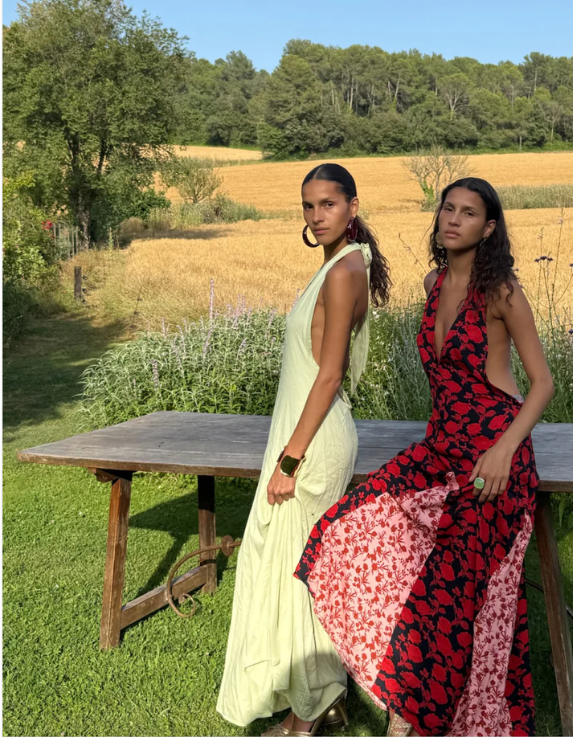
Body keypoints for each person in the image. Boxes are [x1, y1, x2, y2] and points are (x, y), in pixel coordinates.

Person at [295, 177, 554, 737]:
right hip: (440, 448)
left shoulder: (502, 291)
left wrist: (504, 450)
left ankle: (412, 715)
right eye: (447, 209)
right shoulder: (433, 283)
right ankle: (400, 689)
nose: (453, 219)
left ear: (489, 228)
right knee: (341, 531)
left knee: (451, 592)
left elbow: (542, 384)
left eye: (468, 213)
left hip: (493, 454)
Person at [217, 163, 391, 736]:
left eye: (328, 205)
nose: (317, 217)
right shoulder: (337, 266)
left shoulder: (344, 272)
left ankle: (306, 714)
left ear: (353, 207)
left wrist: (291, 460)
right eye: (308, 207)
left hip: (311, 442)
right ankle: (317, 701)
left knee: (300, 575)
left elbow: (329, 374)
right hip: (301, 431)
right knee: (288, 565)